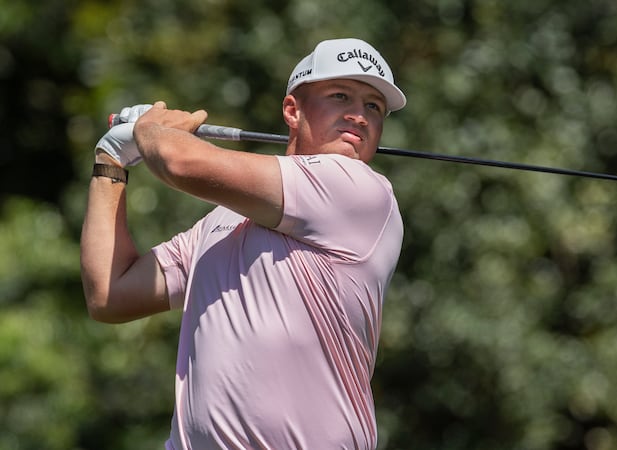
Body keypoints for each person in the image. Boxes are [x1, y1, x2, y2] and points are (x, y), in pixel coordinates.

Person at [80, 38, 407, 450]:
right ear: (293, 110)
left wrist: (150, 130)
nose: (358, 116)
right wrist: (110, 162)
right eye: (341, 96)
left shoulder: (360, 190)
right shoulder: (221, 223)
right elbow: (111, 295)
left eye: (373, 107)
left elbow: (182, 163)